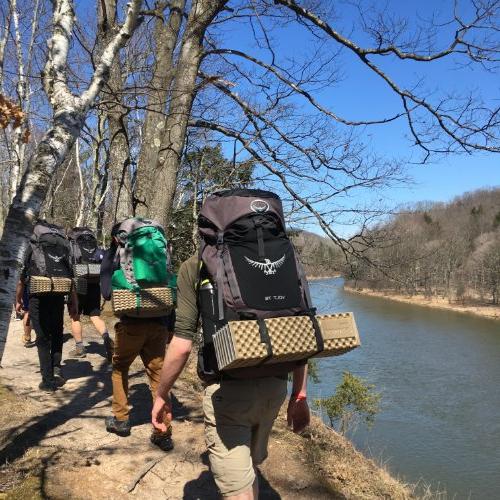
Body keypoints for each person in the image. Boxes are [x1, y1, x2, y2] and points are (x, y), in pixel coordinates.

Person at [151, 254, 310, 500]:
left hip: (227, 392)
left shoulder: (197, 265)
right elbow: (298, 334)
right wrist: (299, 394)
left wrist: (161, 394)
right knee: (248, 466)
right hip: (276, 385)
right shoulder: (284, 259)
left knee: (238, 491)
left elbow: (182, 346)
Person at [100, 219, 175, 452]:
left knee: (120, 367)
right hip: (159, 323)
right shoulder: (160, 250)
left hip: (131, 324)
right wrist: (170, 326)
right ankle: (162, 431)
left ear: (117, 238)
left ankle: (121, 419)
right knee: (157, 376)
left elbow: (106, 293)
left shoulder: (115, 255)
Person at [21, 221, 78, 392]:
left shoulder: (33, 242)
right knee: (57, 331)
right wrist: (74, 300)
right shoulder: (62, 243)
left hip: (38, 294)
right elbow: (72, 271)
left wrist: (18, 299)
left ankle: (47, 380)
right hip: (59, 292)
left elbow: (22, 273)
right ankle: (56, 368)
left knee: (43, 336)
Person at [68, 246, 113, 361]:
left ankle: (80, 349)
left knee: (75, 316)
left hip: (79, 284)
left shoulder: (74, 245)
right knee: (95, 316)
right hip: (94, 284)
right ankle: (107, 339)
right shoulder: (93, 247)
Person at [15, 280, 35, 347]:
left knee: (28, 312)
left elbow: (20, 282)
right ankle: (47, 337)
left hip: (30, 288)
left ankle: (27, 338)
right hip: (46, 287)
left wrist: (18, 301)